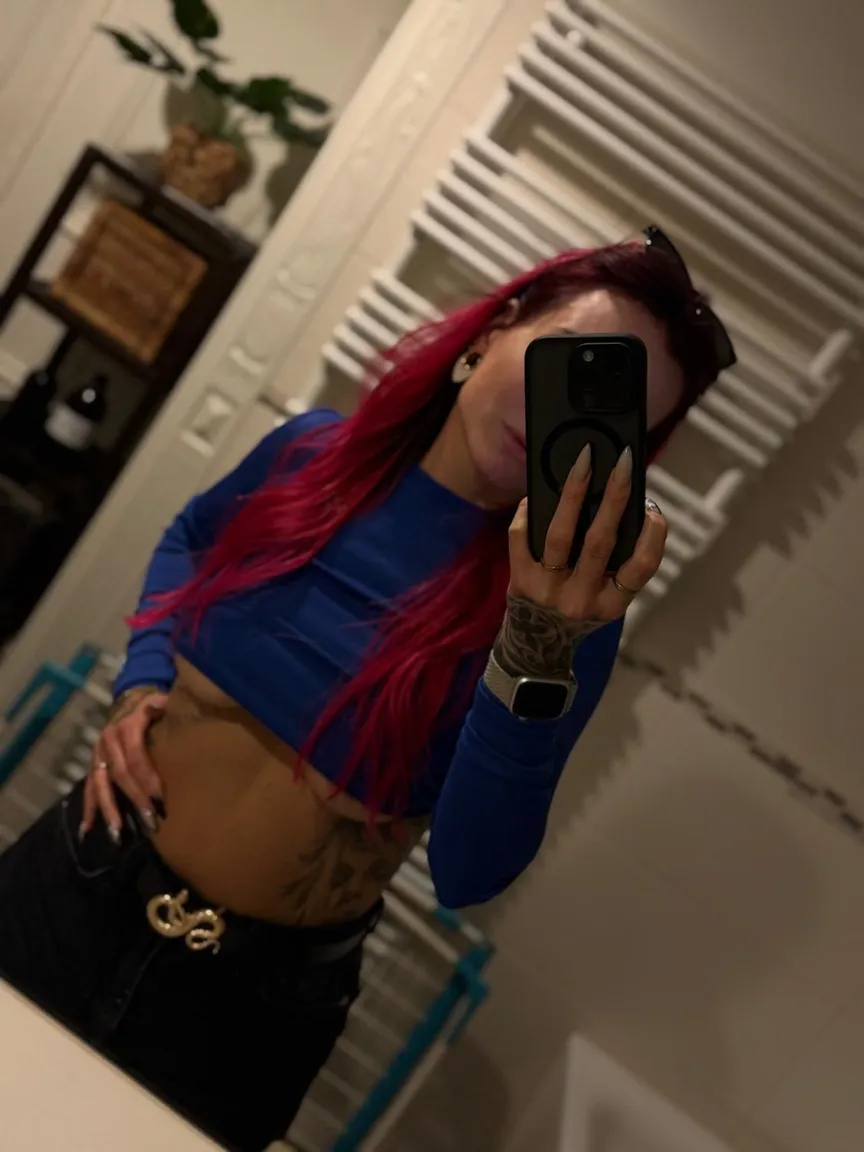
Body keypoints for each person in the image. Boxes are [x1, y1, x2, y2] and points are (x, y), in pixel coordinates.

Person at [0, 229, 735, 1152]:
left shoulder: (566, 618)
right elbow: (190, 536)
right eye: (565, 365)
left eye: (608, 414)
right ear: (494, 331)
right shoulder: (311, 453)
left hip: (247, 1017)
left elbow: (468, 871)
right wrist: (140, 679)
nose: (562, 417)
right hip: (68, 887)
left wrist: (537, 639)